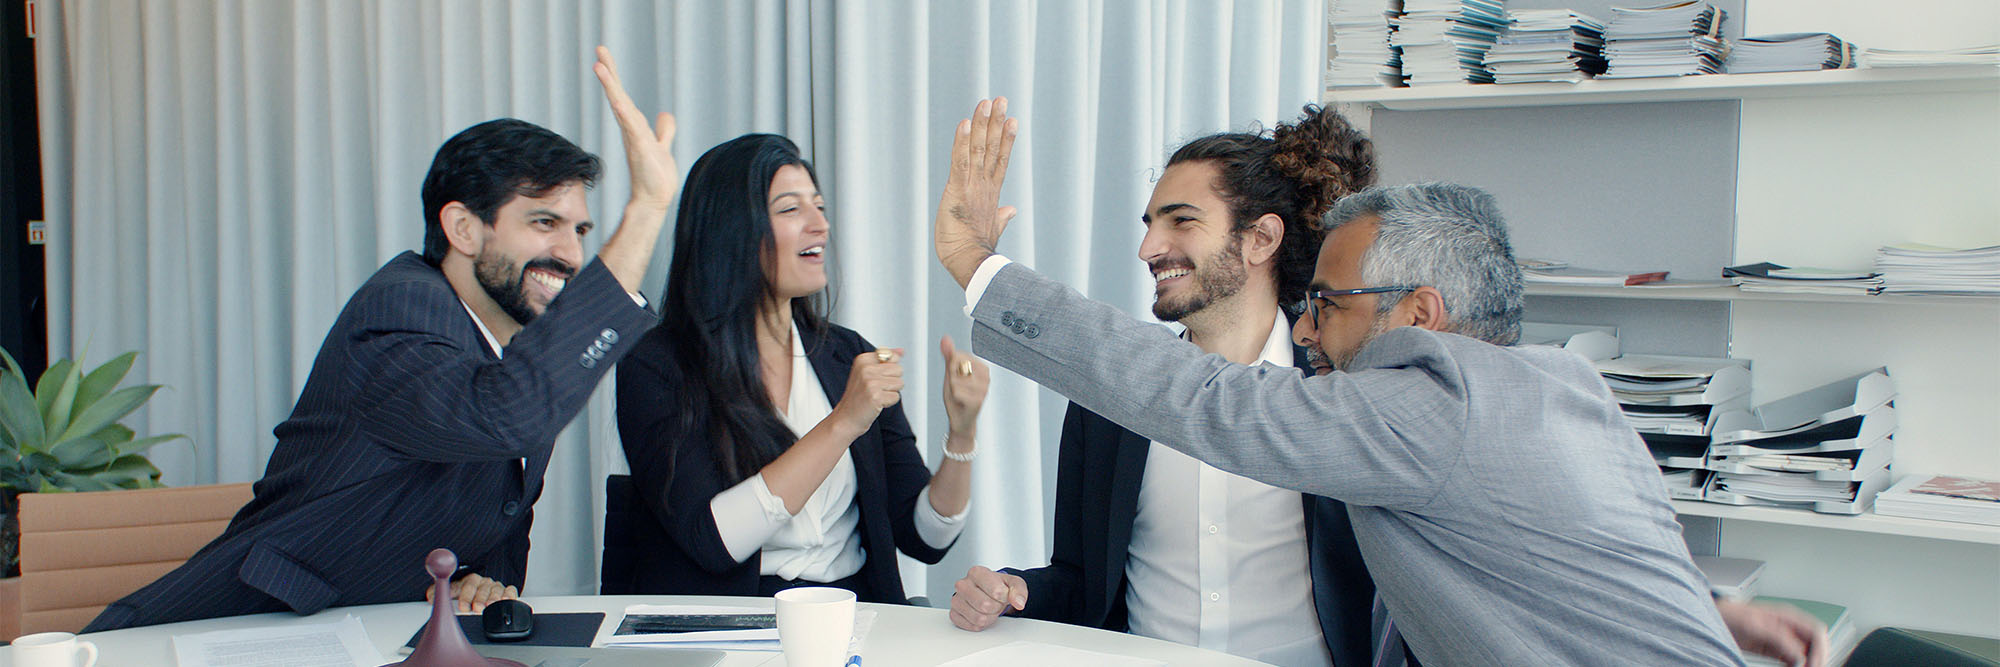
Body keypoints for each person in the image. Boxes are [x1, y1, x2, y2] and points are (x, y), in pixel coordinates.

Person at [930, 99, 1830, 666]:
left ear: (1422, 313)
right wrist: (1706, 618)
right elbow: (1567, 550)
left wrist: (977, 262)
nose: (1315, 323)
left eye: (1333, 300)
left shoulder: (1400, 406)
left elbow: (1202, 402)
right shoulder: (1562, 388)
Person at [85, 47, 678, 631]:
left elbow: (494, 499)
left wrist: (481, 579)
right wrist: (647, 208)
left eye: (580, 230)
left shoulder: (519, 354)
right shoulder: (402, 307)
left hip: (381, 630)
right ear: (464, 228)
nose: (572, 254)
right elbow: (505, 415)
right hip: (243, 631)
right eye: (544, 223)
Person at [947, 105, 1397, 667]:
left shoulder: (1344, 389)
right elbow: (1083, 581)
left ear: (1260, 239)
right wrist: (1013, 593)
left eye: (1181, 221)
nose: (1148, 249)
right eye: (1149, 224)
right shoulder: (1105, 398)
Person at [612, 133, 989, 603]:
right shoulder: (657, 365)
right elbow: (713, 541)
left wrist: (962, 435)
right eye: (791, 210)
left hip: (854, 618)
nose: (820, 225)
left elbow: (925, 540)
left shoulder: (848, 355)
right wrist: (843, 423)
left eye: (820, 206)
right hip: (731, 630)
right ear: (732, 229)